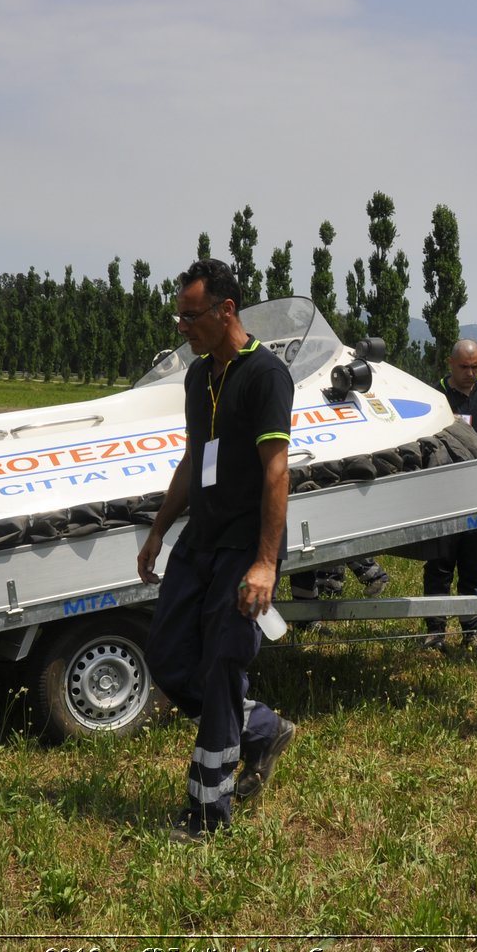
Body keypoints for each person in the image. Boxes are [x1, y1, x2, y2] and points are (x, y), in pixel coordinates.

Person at [137, 258, 296, 844]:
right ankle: (259, 727)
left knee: (223, 661)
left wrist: (265, 562)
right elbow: (192, 456)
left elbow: (275, 471)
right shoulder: (197, 376)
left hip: (242, 547)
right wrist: (158, 528)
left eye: (191, 315)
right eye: (178, 315)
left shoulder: (266, 376)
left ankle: (208, 810)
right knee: (169, 657)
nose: (183, 326)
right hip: (198, 541)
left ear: (227, 310)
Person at [423, 339, 477, 654]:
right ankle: (435, 632)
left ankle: (473, 631)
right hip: (443, 497)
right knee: (440, 564)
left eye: (476, 367)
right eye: (464, 367)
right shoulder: (434, 396)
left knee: (475, 564)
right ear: (450, 363)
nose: (470, 373)